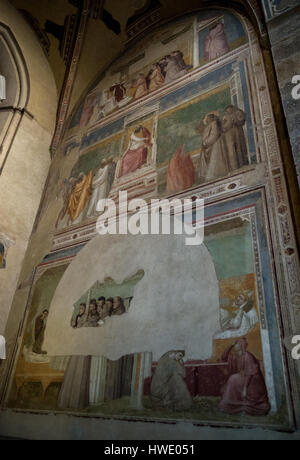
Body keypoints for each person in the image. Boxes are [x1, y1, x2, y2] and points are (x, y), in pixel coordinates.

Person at [220, 338, 270, 416]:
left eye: (236, 344)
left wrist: (245, 388)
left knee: (233, 378)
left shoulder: (248, 356)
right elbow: (223, 357)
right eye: (235, 344)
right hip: (243, 378)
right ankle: (230, 404)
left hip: (253, 381)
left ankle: (232, 403)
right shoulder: (236, 356)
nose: (235, 346)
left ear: (241, 345)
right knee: (233, 379)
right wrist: (230, 345)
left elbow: (250, 374)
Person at [199, 112, 229, 182]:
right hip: (209, 146)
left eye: (208, 118)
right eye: (206, 119)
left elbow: (214, 135)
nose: (206, 120)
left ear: (211, 118)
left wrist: (205, 143)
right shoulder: (210, 125)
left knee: (215, 163)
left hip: (215, 146)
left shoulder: (214, 124)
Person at [221, 105, 248, 171]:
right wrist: (228, 123)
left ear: (232, 108)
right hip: (229, 136)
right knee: (232, 150)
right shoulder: (225, 117)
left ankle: (242, 164)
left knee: (240, 148)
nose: (228, 111)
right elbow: (223, 127)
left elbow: (241, 119)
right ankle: (234, 166)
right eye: (227, 110)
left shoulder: (237, 113)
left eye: (229, 109)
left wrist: (234, 120)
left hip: (237, 133)